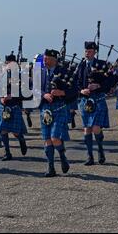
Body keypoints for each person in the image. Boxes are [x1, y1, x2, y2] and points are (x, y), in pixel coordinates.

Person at [39, 49, 77, 177]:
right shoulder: (41, 72)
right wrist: (44, 94)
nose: (44, 60)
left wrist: (62, 93)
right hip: (45, 108)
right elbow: (34, 89)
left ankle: (62, 156)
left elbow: (74, 90)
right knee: (47, 140)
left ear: (54, 59)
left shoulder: (64, 72)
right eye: (44, 58)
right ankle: (51, 168)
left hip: (59, 106)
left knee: (55, 138)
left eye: (47, 58)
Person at [76, 42, 115, 165]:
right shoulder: (80, 66)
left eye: (90, 51)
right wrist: (81, 90)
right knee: (87, 128)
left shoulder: (102, 64)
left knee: (96, 128)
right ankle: (89, 156)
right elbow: (74, 82)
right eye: (86, 51)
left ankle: (100, 150)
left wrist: (99, 85)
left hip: (98, 99)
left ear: (95, 52)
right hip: (85, 100)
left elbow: (112, 79)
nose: (87, 53)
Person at [0, 54, 28, 161]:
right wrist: (0, 98)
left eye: (10, 63)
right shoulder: (2, 76)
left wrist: (12, 96)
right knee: (3, 130)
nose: (8, 65)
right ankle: (7, 153)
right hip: (3, 106)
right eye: (7, 63)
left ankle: (21, 139)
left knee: (15, 132)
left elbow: (25, 92)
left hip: (14, 106)